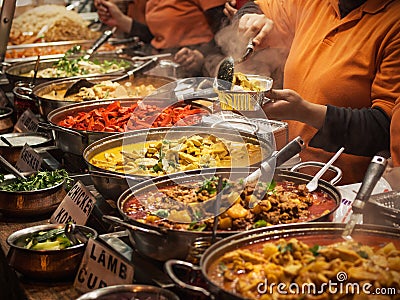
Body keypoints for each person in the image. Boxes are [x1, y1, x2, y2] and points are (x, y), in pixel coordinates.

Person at [234, 0, 400, 184]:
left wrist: (305, 112)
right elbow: (259, 6)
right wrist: (250, 18)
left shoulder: (394, 23)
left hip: (343, 186)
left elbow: (383, 129)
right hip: (289, 169)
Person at [94, 0, 228, 76]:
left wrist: (201, 53)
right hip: (167, 67)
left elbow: (226, 25)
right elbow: (157, 36)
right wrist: (120, 20)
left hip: (199, 72)